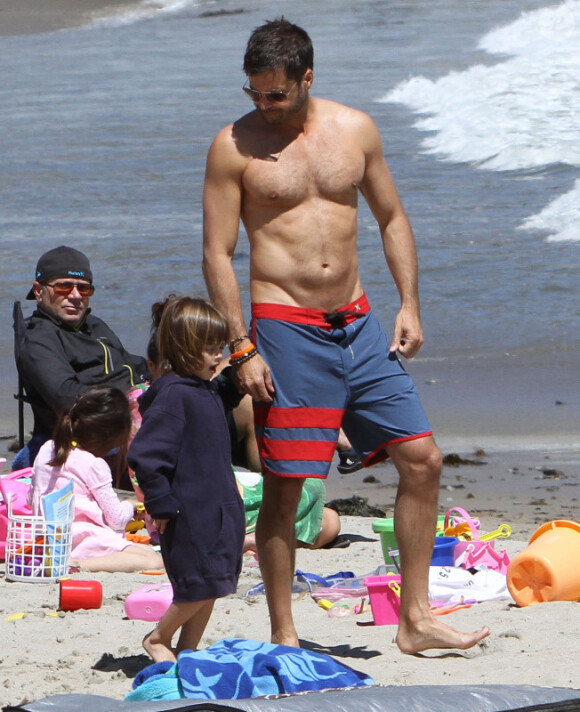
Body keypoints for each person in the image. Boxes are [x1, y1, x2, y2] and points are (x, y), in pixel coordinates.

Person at [202, 18, 490, 653]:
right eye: (254, 93)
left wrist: (409, 305)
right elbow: (218, 254)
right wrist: (241, 346)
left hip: (358, 325)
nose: (263, 105)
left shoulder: (355, 130)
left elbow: (391, 216)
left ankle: (414, 620)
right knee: (287, 485)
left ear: (308, 77)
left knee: (424, 461)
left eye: (276, 93)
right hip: (284, 328)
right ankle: (285, 634)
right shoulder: (233, 146)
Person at [127, 296, 245, 663]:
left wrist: (241, 364)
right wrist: (161, 502)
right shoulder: (174, 395)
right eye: (209, 349)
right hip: (189, 512)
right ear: (182, 348)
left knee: (215, 583)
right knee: (195, 586)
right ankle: (159, 638)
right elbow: (145, 456)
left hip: (220, 506)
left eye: (219, 348)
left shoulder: (205, 388)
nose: (216, 356)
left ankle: (188, 649)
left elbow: (229, 387)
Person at [15, 245, 149, 469]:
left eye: (83, 289)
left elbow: (136, 364)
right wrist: (129, 383)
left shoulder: (95, 326)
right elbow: (68, 398)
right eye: (64, 287)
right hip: (76, 443)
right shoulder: (38, 339)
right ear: (38, 291)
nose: (75, 296)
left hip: (120, 427)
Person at [28, 386, 164, 573]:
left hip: (46, 536)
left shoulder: (47, 448)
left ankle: (70, 560)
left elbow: (31, 496)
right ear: (109, 438)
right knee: (154, 561)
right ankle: (76, 564)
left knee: (143, 550)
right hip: (81, 538)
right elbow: (116, 520)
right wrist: (130, 505)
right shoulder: (93, 464)